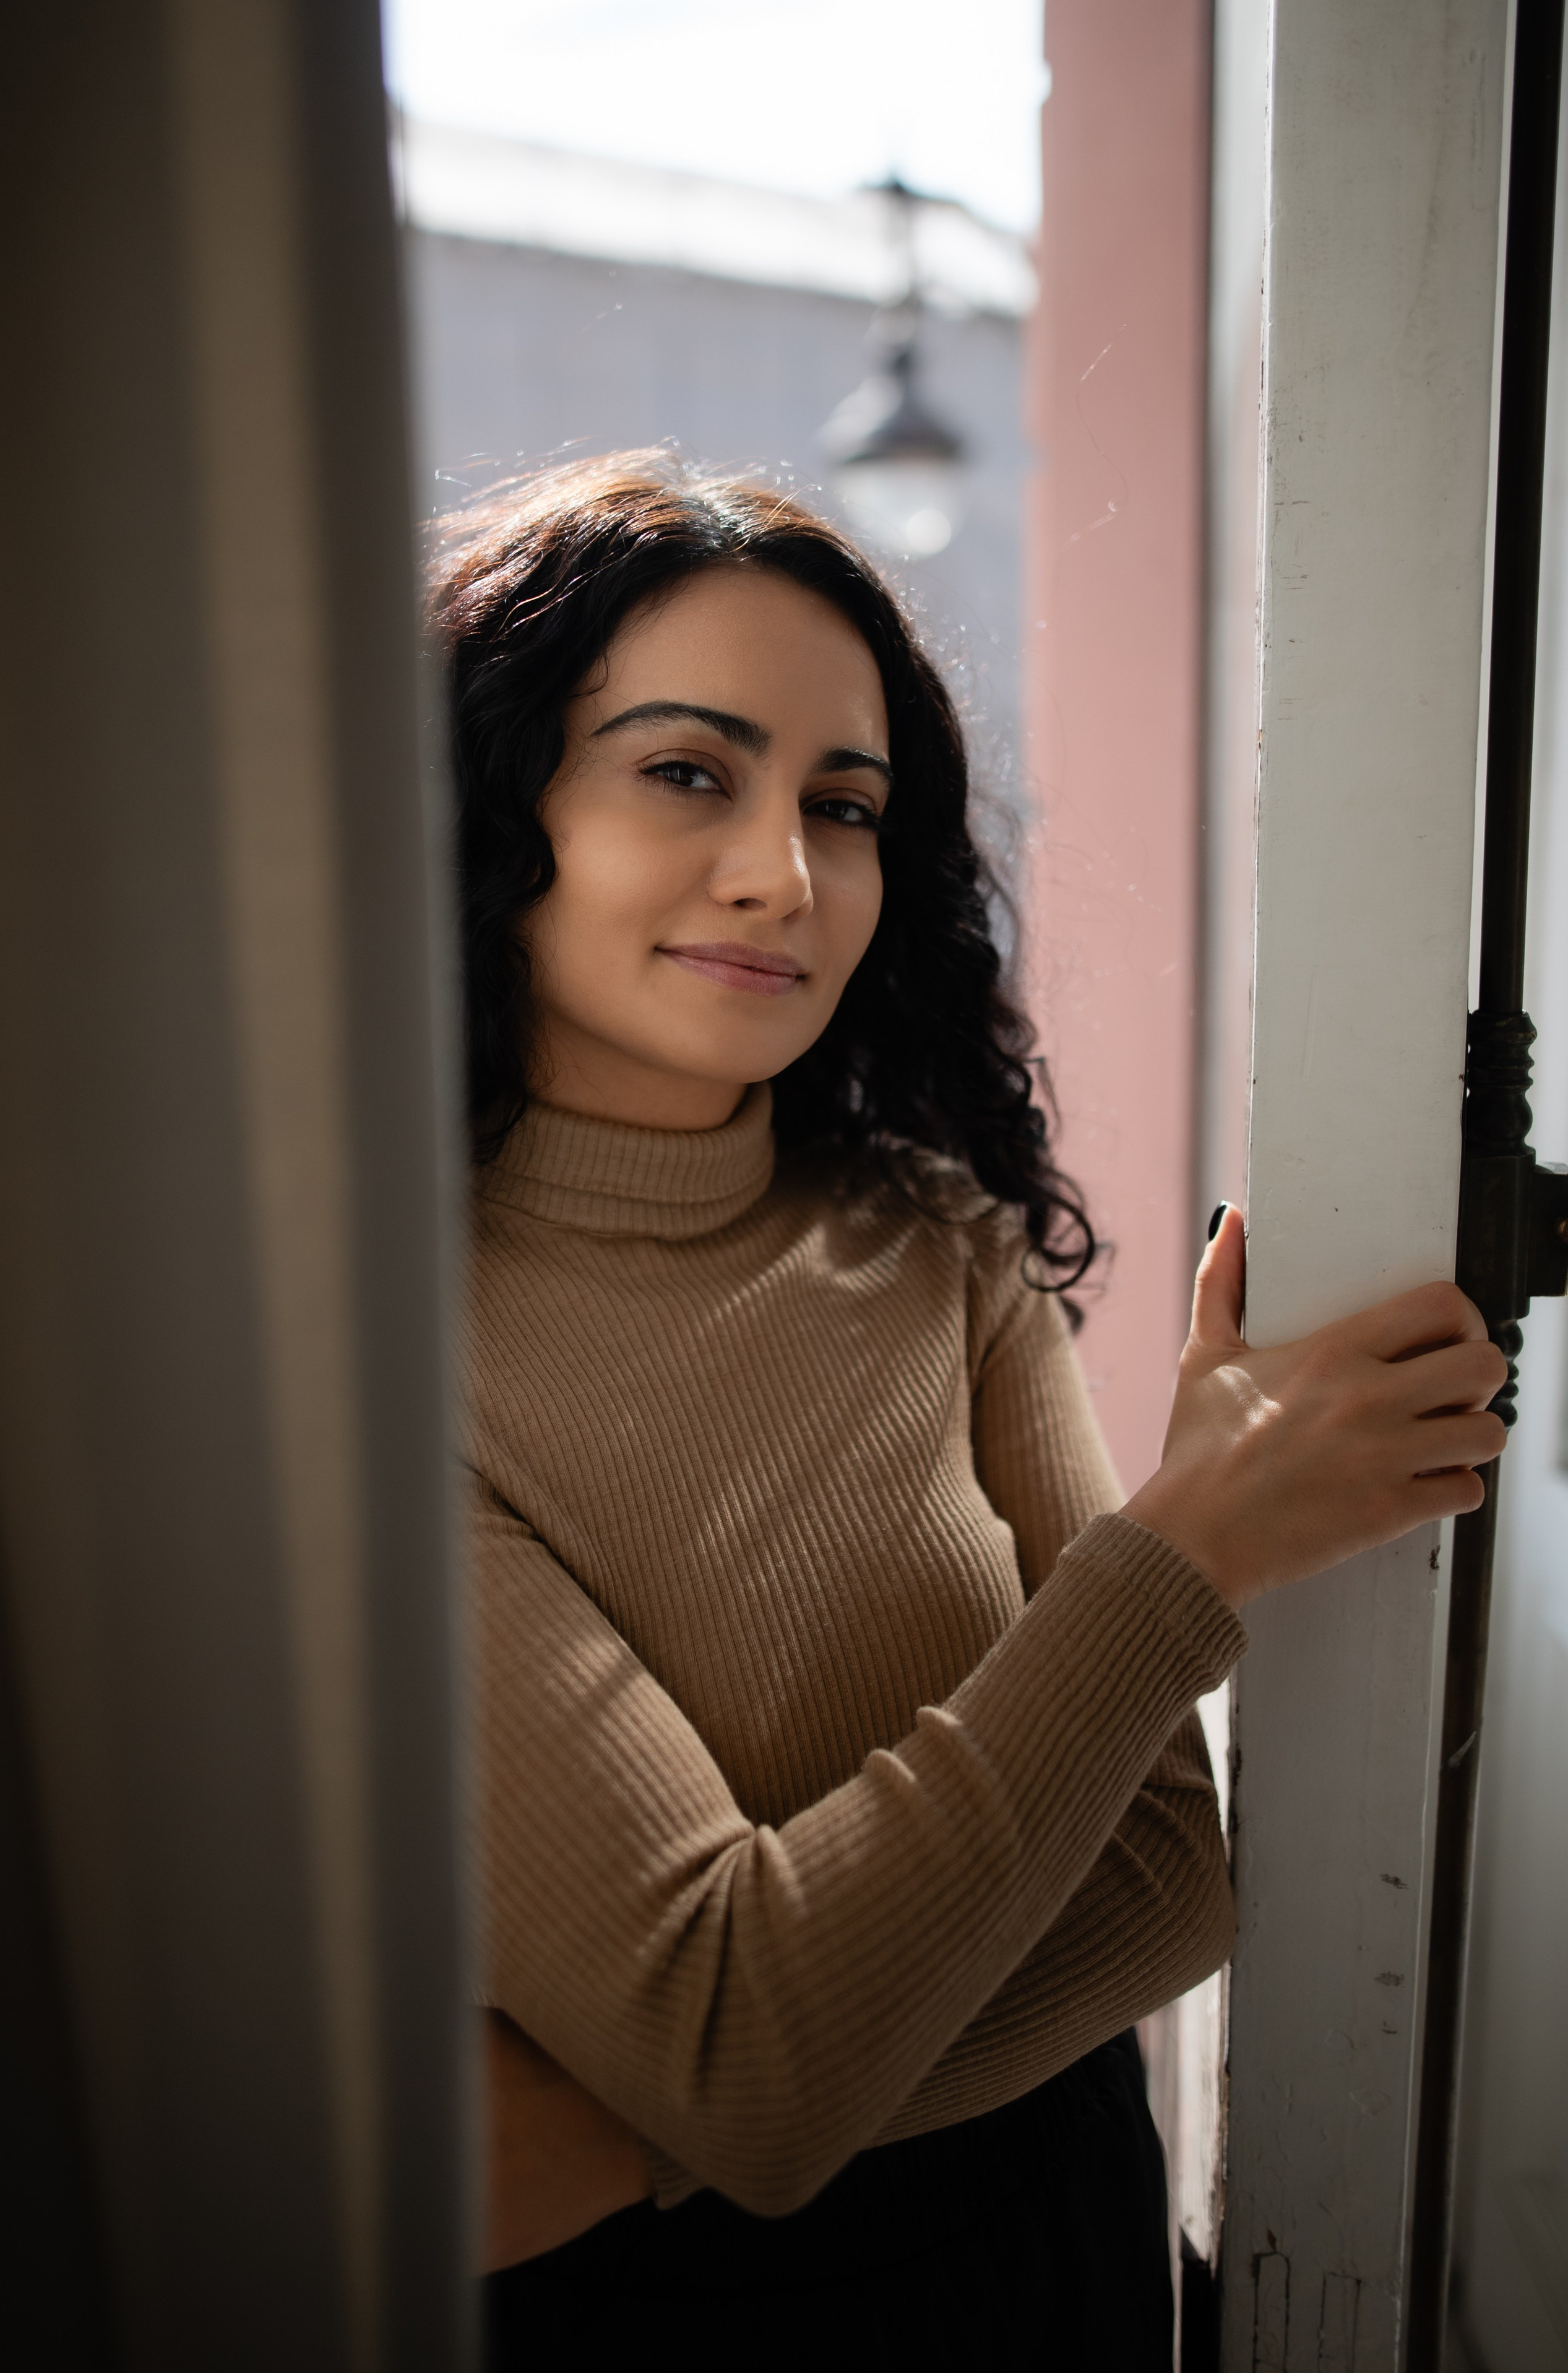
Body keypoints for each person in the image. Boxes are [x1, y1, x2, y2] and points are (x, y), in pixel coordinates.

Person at [434, 453, 1506, 2367]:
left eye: (844, 807)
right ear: (493, 804)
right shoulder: (369, 1373)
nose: (784, 872)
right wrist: (1180, 1553)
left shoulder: (935, 1243)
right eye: (689, 771)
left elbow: (1172, 1875)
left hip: (1068, 2261)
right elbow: (751, 2045)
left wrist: (664, 2127)